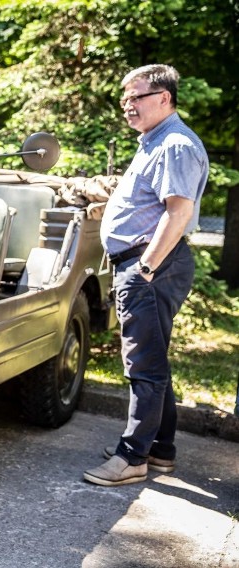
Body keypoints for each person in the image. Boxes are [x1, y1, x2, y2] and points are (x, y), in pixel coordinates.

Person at [84, 64, 209, 486]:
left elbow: (179, 213)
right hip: (147, 265)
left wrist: (144, 268)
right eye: (125, 98)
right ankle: (160, 449)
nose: (128, 105)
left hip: (152, 266)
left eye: (137, 97)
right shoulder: (154, 141)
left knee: (143, 366)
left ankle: (133, 456)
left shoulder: (174, 144)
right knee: (153, 358)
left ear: (164, 98)